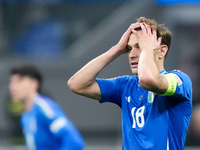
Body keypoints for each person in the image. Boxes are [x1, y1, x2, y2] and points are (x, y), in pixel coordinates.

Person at [67, 17, 192, 150]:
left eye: (140, 47)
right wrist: (116, 50)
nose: (132, 54)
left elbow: (148, 80)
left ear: (162, 50)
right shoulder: (126, 85)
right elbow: (76, 84)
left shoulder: (180, 80)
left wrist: (147, 50)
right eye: (129, 48)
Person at [9, 65, 85, 150]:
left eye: (19, 81)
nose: (13, 86)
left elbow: (75, 143)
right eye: (12, 82)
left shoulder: (44, 108)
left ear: (34, 83)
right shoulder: (25, 115)